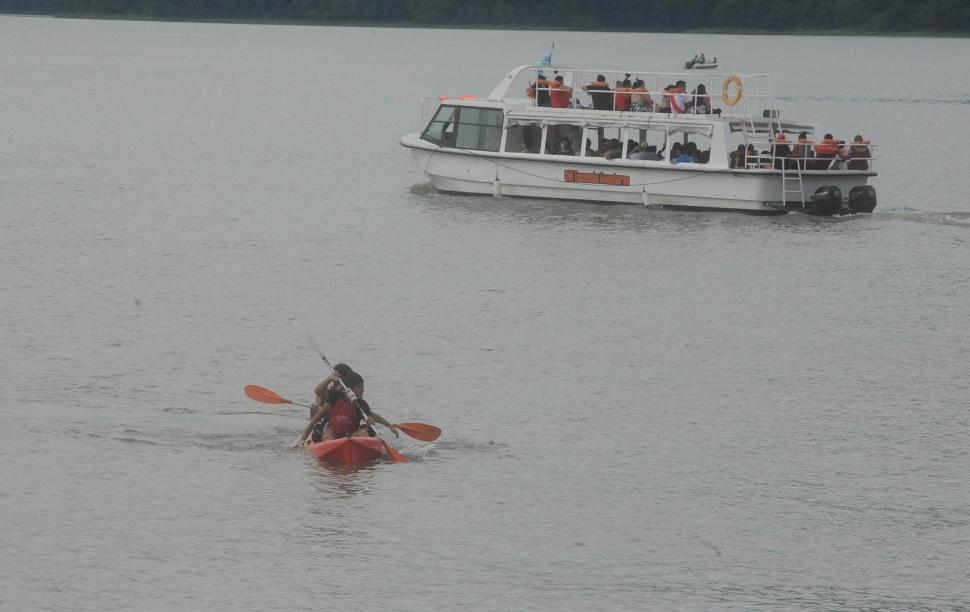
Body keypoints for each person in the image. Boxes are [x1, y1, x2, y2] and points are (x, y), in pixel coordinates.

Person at [299, 370, 399, 446]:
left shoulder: (362, 404)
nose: (363, 390)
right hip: (333, 433)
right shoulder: (335, 397)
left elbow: (371, 418)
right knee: (328, 432)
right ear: (349, 389)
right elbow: (318, 390)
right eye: (359, 387)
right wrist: (330, 378)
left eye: (363, 386)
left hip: (351, 436)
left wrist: (373, 422)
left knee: (364, 431)